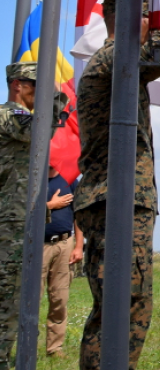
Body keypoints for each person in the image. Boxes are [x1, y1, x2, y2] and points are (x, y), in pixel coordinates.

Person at [75, 0, 160, 369]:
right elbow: (157, 56)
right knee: (122, 303)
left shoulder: (114, 62)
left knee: (128, 303)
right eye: (151, 18)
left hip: (121, 198)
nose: (154, 25)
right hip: (115, 199)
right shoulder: (113, 57)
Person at [0, 61, 64, 368]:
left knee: (15, 295)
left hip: (17, 219)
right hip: (8, 222)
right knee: (8, 296)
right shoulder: (7, 115)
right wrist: (57, 98)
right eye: (36, 86)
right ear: (18, 85)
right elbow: (38, 132)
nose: (42, 92)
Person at [42, 166, 82, 358]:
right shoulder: (33, 179)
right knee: (30, 298)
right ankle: (24, 344)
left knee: (60, 298)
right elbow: (23, 211)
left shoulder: (70, 180)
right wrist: (51, 205)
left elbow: (79, 215)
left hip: (65, 243)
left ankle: (54, 348)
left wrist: (78, 246)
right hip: (37, 246)